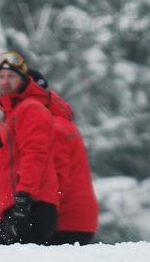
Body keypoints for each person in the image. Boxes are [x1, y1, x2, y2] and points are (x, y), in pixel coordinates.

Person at [0, 50, 59, 245]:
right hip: (15, 205)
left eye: (11, 76)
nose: (5, 81)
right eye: (0, 76)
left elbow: (35, 154)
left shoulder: (31, 109)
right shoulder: (11, 114)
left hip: (31, 205)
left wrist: (24, 198)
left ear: (23, 79)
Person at [29, 67, 98, 245]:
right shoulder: (59, 122)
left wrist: (40, 211)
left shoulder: (52, 127)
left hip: (65, 222)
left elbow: (59, 178)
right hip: (75, 220)